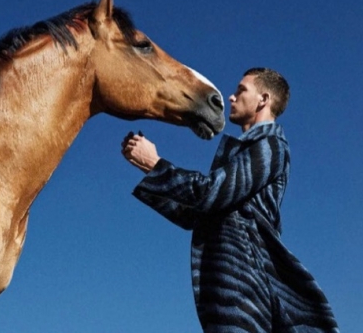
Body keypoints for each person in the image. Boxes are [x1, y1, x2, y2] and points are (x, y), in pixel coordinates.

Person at [121, 68, 338, 332]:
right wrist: (149, 170)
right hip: (228, 279)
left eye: (241, 90)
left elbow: (209, 193)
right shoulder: (248, 151)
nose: (231, 98)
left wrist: (157, 165)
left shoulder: (272, 146)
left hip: (244, 278)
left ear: (263, 99)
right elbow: (194, 215)